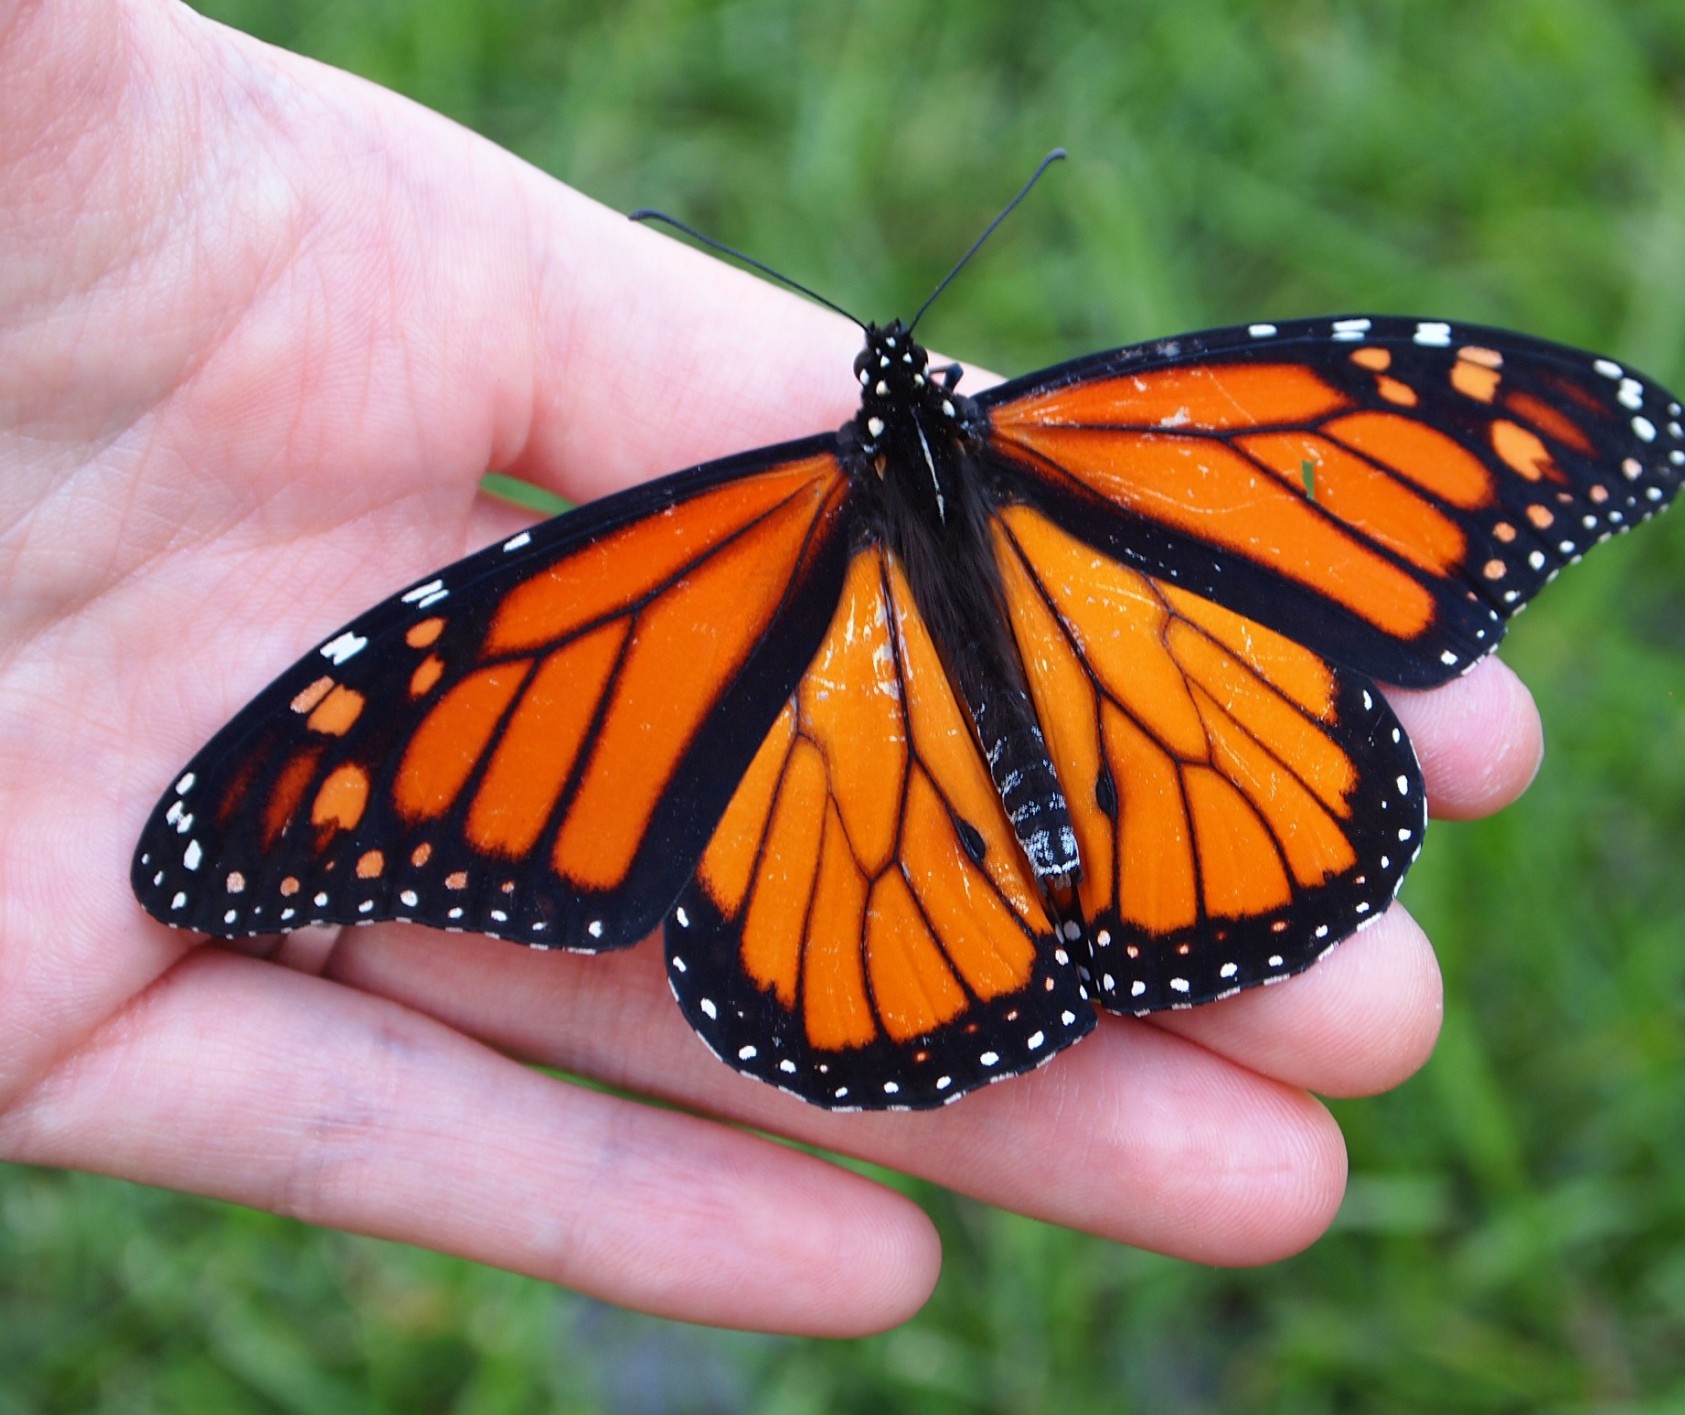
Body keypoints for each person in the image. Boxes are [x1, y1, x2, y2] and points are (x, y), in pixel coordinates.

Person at [0, 0, 1543, 1336]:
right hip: (1137, 713)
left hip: (895, 805)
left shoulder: (725, 545)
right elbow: (446, 716)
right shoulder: (1135, 430)